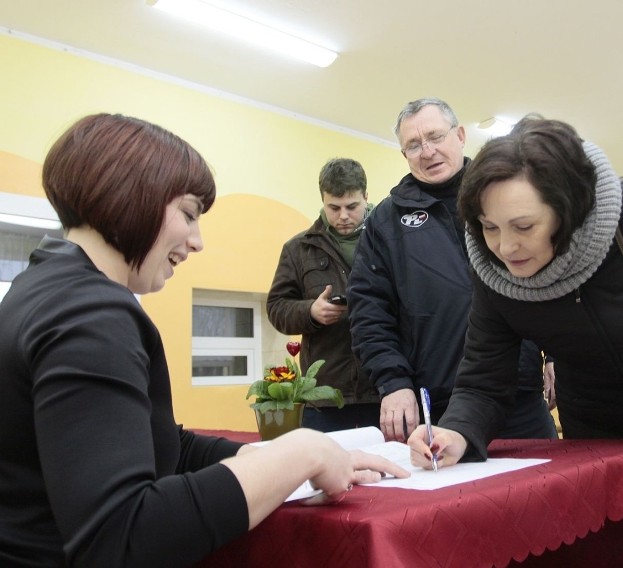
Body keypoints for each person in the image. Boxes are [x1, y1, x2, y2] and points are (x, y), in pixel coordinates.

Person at [0, 113, 408, 568]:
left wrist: (267, 456)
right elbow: (123, 539)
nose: (197, 242)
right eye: (189, 215)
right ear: (132, 197)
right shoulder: (89, 313)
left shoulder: (44, 286)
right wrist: (298, 453)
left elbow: (163, 448)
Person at [408, 115, 623, 491]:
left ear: (566, 211)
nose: (505, 247)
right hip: (595, 436)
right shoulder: (494, 273)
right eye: (489, 227)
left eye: (524, 226)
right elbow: (484, 379)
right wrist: (455, 433)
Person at [348, 97, 557, 442]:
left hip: (520, 396)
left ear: (460, 135)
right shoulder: (386, 222)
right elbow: (368, 311)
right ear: (404, 155)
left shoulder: (506, 194)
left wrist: (555, 357)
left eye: (435, 136)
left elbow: (549, 277)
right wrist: (393, 382)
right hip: (441, 403)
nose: (427, 151)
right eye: (413, 145)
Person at [267, 158, 380, 432]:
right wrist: (310, 312)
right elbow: (276, 307)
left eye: (352, 207)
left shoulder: (389, 240)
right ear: (322, 200)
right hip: (325, 398)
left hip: (385, 390)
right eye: (334, 207)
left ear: (366, 197)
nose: (343, 216)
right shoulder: (298, 248)